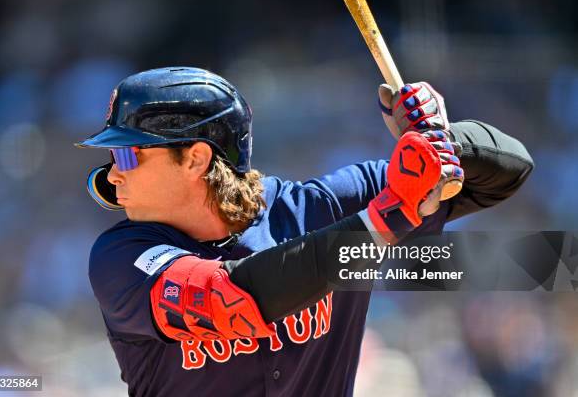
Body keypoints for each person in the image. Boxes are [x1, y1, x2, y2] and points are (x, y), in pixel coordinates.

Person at [76, 67, 533, 396]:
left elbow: (509, 170)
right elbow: (230, 299)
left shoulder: (321, 208)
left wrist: (440, 142)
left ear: (196, 158)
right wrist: (378, 225)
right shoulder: (121, 257)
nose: (114, 175)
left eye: (128, 155)